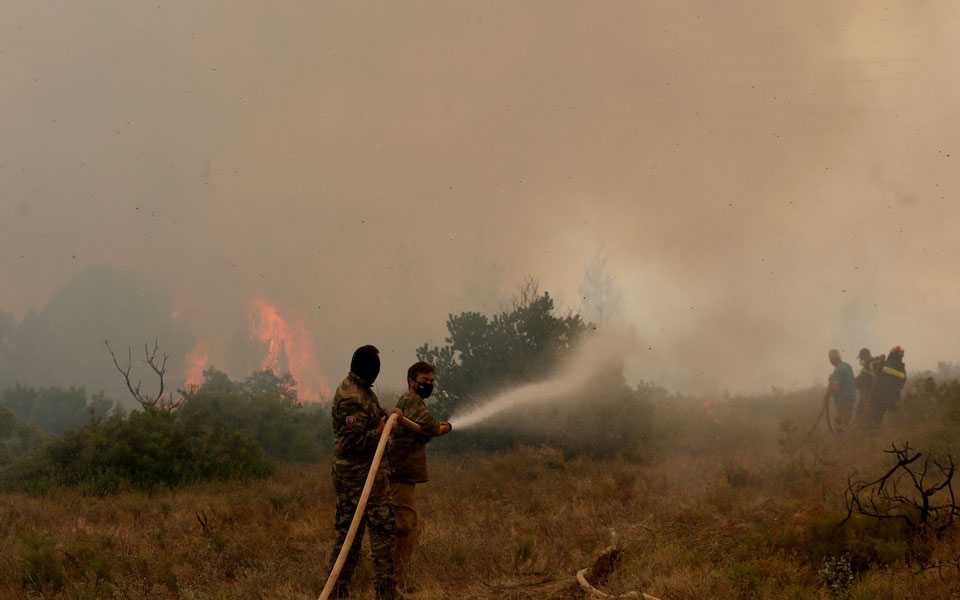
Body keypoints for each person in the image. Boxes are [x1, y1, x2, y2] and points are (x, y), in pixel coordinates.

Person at [327, 345, 405, 600]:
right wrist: (383, 432)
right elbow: (351, 442)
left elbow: (369, 417)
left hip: (367, 476)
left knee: (368, 533)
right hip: (358, 477)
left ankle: (383, 591)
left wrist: (386, 414)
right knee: (365, 535)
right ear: (369, 369)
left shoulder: (361, 390)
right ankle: (350, 593)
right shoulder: (352, 397)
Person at [387, 361, 452, 592]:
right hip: (400, 474)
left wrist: (436, 429)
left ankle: (396, 579)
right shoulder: (411, 401)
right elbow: (430, 425)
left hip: (404, 474)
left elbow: (422, 429)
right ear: (411, 381)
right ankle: (393, 582)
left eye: (432, 381)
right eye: (424, 381)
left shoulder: (413, 404)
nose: (429, 385)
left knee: (407, 525)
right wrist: (443, 428)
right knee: (404, 526)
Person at [864, 346, 907, 428]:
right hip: (893, 399)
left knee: (874, 421)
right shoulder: (902, 369)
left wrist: (876, 360)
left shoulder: (884, 364)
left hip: (880, 398)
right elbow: (903, 382)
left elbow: (870, 367)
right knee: (895, 421)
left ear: (891, 354)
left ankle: (873, 436)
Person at [827, 349, 856, 431]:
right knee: (845, 425)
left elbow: (835, 387)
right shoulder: (847, 366)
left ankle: (843, 443)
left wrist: (830, 381)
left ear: (831, 360)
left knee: (840, 428)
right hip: (850, 401)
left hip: (843, 405)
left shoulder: (838, 370)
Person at [855, 347, 876, 422]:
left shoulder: (869, 365)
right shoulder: (872, 364)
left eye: (861, 358)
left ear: (866, 355)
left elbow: (859, 382)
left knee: (864, 423)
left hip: (868, 401)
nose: (860, 360)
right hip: (868, 400)